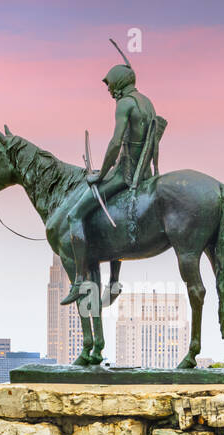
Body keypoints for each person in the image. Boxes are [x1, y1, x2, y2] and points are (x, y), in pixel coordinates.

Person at [57, 47, 163, 305]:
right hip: (144, 171)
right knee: (109, 216)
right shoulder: (146, 102)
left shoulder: (125, 104)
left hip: (124, 174)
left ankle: (80, 280)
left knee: (75, 214)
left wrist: (101, 174)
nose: (108, 90)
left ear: (119, 82)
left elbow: (116, 142)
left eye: (109, 84)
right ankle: (114, 282)